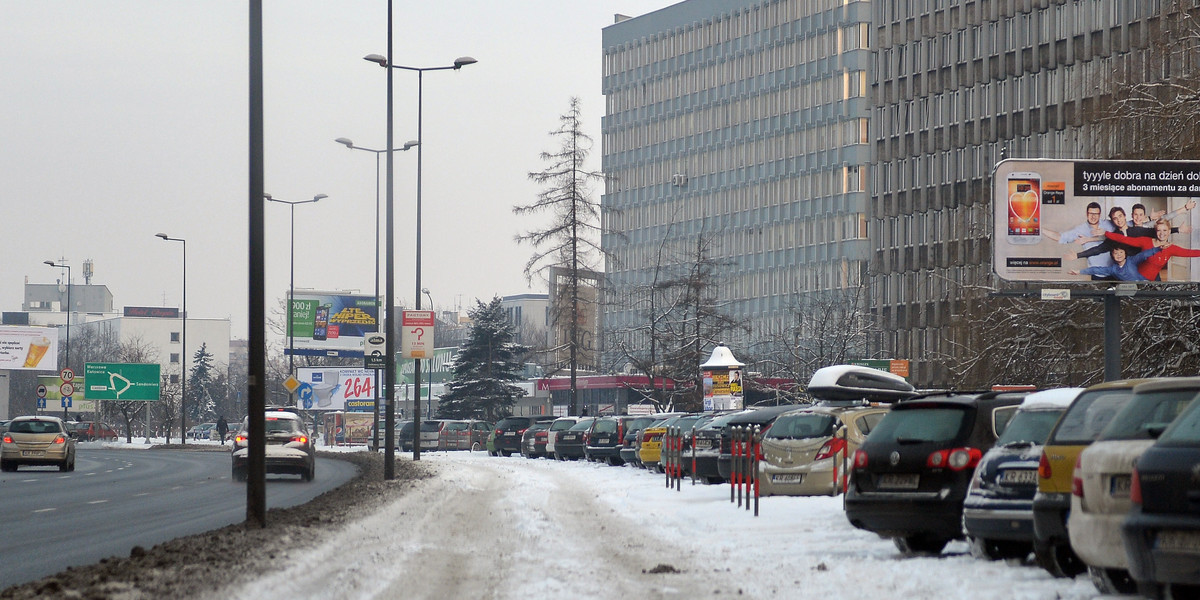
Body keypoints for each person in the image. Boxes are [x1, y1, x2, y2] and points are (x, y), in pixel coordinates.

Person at [1102, 219, 1200, 281]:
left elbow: (1190, 253)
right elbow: (1125, 239)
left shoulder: (1171, 248)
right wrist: (1106, 233)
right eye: (1159, 230)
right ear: (1155, 231)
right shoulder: (1145, 241)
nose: (1162, 233)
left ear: (1169, 231)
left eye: (1165, 230)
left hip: (1151, 282)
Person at [1043, 201, 1115, 274]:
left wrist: (1089, 239)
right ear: (1087, 214)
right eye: (1091, 214)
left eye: (1096, 214)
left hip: (1116, 270)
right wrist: (1039, 229)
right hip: (1097, 273)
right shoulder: (1080, 229)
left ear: (1100, 215)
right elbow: (1059, 237)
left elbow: (1121, 234)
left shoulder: (1109, 224)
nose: (1093, 217)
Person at [1069, 246, 1160, 281]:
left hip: (1145, 285)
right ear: (1112, 256)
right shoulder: (1113, 269)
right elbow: (1096, 269)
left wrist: (1159, 248)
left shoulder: (1132, 260)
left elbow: (1144, 254)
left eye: (1121, 252)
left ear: (1125, 253)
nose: (1119, 255)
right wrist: (1079, 272)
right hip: (1131, 291)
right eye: (1116, 253)